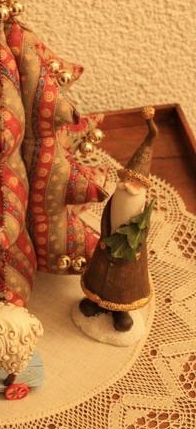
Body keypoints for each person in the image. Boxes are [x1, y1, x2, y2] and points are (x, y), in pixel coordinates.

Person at [80, 107, 158, 332]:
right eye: (124, 179)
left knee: (124, 284)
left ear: (141, 187)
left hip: (129, 258)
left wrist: (131, 250)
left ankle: (120, 311)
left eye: (132, 182)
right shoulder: (118, 197)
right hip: (105, 248)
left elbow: (140, 233)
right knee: (99, 277)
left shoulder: (140, 208)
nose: (125, 184)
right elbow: (108, 218)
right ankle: (96, 301)